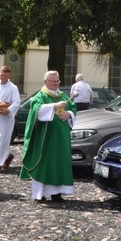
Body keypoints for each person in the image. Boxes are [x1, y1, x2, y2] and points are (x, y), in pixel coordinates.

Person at [20, 70, 77, 203]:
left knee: (58, 164)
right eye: (53, 81)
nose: (56, 83)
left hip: (61, 139)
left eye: (58, 81)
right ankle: (40, 195)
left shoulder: (62, 95)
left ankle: (57, 194)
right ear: (45, 81)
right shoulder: (40, 96)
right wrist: (53, 106)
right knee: (44, 165)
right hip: (44, 140)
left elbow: (73, 107)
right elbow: (36, 110)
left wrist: (69, 114)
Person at [0, 65, 21, 174]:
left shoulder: (13, 88)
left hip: (6, 118)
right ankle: (7, 156)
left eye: (5, 74)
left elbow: (17, 102)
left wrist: (8, 110)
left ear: (9, 75)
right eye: (2, 74)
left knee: (1, 140)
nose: (3, 76)